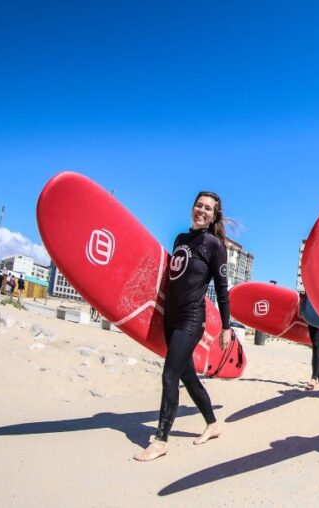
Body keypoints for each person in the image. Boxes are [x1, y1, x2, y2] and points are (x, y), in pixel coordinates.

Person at [134, 191, 232, 461]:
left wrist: (226, 327)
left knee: (170, 376)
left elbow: (222, 290)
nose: (202, 210)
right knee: (187, 376)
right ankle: (212, 424)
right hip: (171, 316)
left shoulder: (214, 246)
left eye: (208, 208)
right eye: (199, 205)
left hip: (191, 318)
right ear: (193, 208)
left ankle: (160, 440)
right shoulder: (180, 239)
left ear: (214, 216)